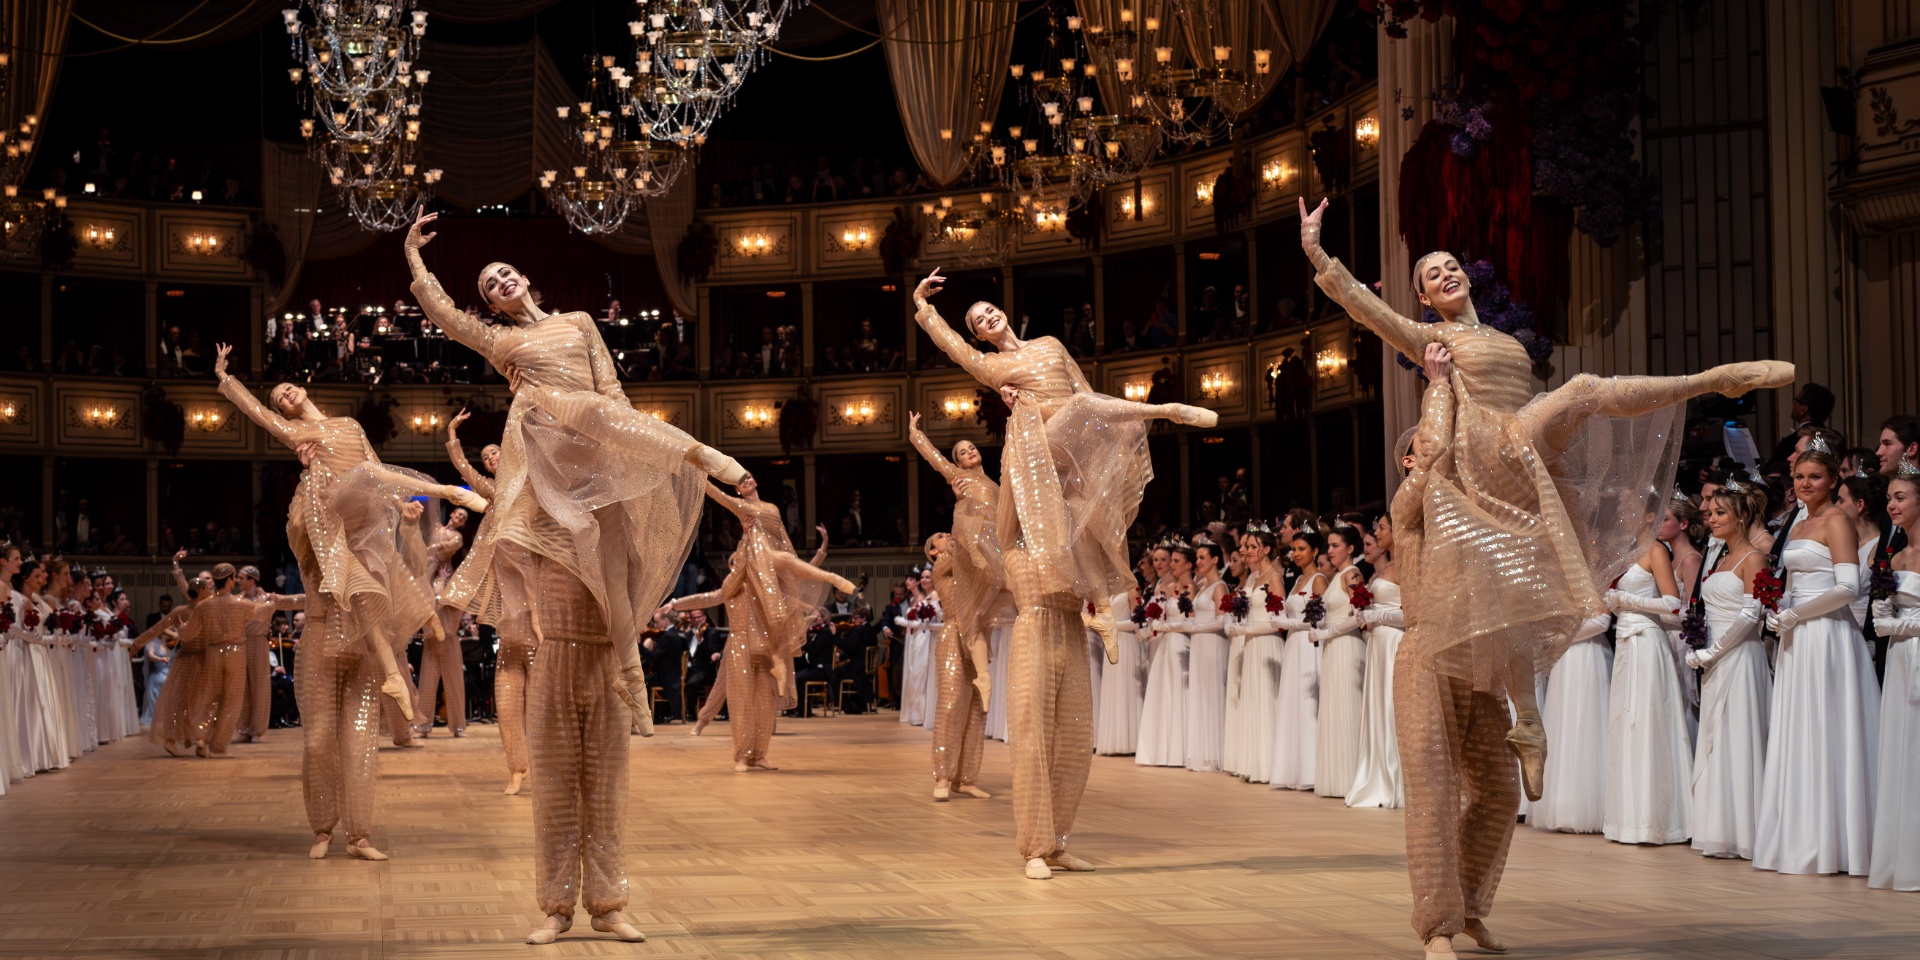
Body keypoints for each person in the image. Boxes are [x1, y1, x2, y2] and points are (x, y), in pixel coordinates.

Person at [1300, 195, 1792, 956]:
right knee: (1437, 791)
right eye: (1432, 274)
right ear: (1424, 299)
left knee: (1586, 392)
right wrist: (1321, 259)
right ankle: (1438, 919)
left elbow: (1534, 406)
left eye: (1452, 265)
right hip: (1449, 585)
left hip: (1518, 454)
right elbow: (1367, 310)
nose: (1446, 273)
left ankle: (1713, 380)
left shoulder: (1501, 341)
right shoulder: (1427, 369)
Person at [663, 479, 852, 770]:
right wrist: (675, 604)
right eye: (738, 557)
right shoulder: (732, 584)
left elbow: (792, 566)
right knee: (739, 700)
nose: (742, 560)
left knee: (765, 701)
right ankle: (739, 753)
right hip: (739, 643)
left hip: (766, 641)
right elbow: (708, 596)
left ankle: (758, 754)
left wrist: (823, 554)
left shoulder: (768, 583)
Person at [1754, 441, 1880, 878]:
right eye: (1799, 477)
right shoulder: (1800, 523)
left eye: (1815, 477)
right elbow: (1798, 577)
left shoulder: (1837, 520)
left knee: (1826, 727)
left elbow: (1847, 586)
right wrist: (1779, 606)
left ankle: (1834, 842)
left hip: (1826, 634)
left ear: (1833, 480)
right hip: (1796, 636)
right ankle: (1801, 834)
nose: (1805, 484)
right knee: (1798, 728)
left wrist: (1794, 613)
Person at [443, 412, 533, 793]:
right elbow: (462, 467)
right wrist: (451, 435)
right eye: (487, 458)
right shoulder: (492, 491)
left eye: (496, 452)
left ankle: (548, 767)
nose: (492, 458)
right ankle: (517, 767)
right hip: (503, 585)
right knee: (509, 688)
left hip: (536, 583)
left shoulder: (528, 482)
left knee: (544, 692)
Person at [1682, 480, 1772, 860]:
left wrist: (1713, 652)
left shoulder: (1754, 559)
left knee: (1739, 736)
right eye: (1712, 512)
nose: (1712, 518)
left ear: (1741, 517)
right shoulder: (1718, 558)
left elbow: (1753, 614)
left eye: (1721, 513)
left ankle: (1746, 831)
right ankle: (1717, 827)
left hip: (1738, 656)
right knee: (1716, 740)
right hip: (1714, 657)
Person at [1600, 527, 1690, 845]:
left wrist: (1626, 599)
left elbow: (1671, 603)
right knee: (1626, 726)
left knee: (1647, 724)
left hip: (1645, 642)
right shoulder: (1623, 550)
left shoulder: (1655, 550)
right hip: (1626, 643)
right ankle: (1628, 818)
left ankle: (1656, 820)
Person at [1868, 457, 1920, 891]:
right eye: (1888, 498)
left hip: (1914, 647)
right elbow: (1884, 607)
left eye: (1900, 497)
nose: (1892, 506)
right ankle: (1902, 854)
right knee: (1902, 745)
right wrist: (1882, 611)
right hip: (1901, 657)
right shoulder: (1896, 553)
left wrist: (1894, 625)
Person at [925, 533, 992, 801]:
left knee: (977, 708)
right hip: (953, 636)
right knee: (951, 705)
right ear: (932, 551)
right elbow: (962, 552)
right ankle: (943, 776)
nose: (948, 535)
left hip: (976, 634)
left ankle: (966, 778)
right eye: (940, 537)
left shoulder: (966, 560)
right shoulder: (941, 564)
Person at [1348, 516, 1406, 808]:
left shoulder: (1406, 566)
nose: (1377, 533)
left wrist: (1376, 616)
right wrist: (1365, 615)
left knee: (1390, 706)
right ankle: (1376, 773)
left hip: (1394, 643)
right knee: (1377, 707)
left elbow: (1412, 614)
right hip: (1377, 645)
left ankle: (1395, 779)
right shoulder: (1384, 569)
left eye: (1383, 528)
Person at [1769, 382, 1835, 467]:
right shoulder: (1832, 439)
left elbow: (1772, 470)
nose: (1793, 404)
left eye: (1795, 401)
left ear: (1803, 409)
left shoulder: (1791, 442)